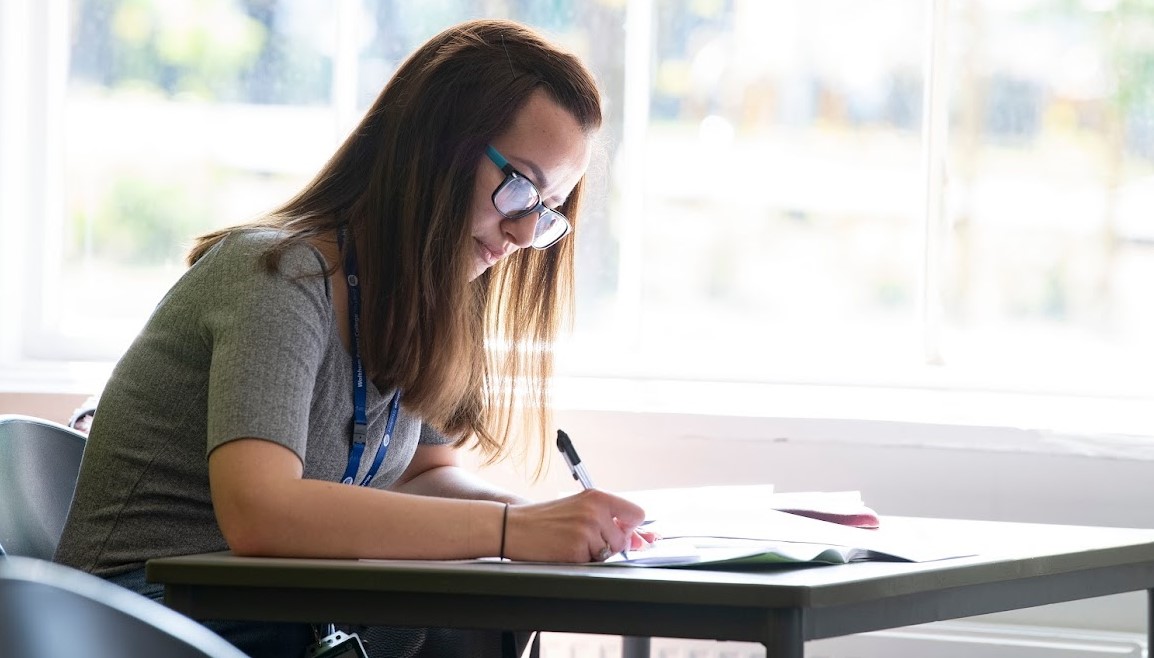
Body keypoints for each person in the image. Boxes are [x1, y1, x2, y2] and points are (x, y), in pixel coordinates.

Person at [54, 18, 653, 658]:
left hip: (276, 607)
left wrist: (546, 519)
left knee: (478, 631)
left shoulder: (426, 298)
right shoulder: (277, 277)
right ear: (435, 146)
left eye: (546, 213)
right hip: (142, 613)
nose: (520, 236)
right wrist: (511, 529)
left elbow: (424, 475)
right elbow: (260, 513)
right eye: (521, 190)